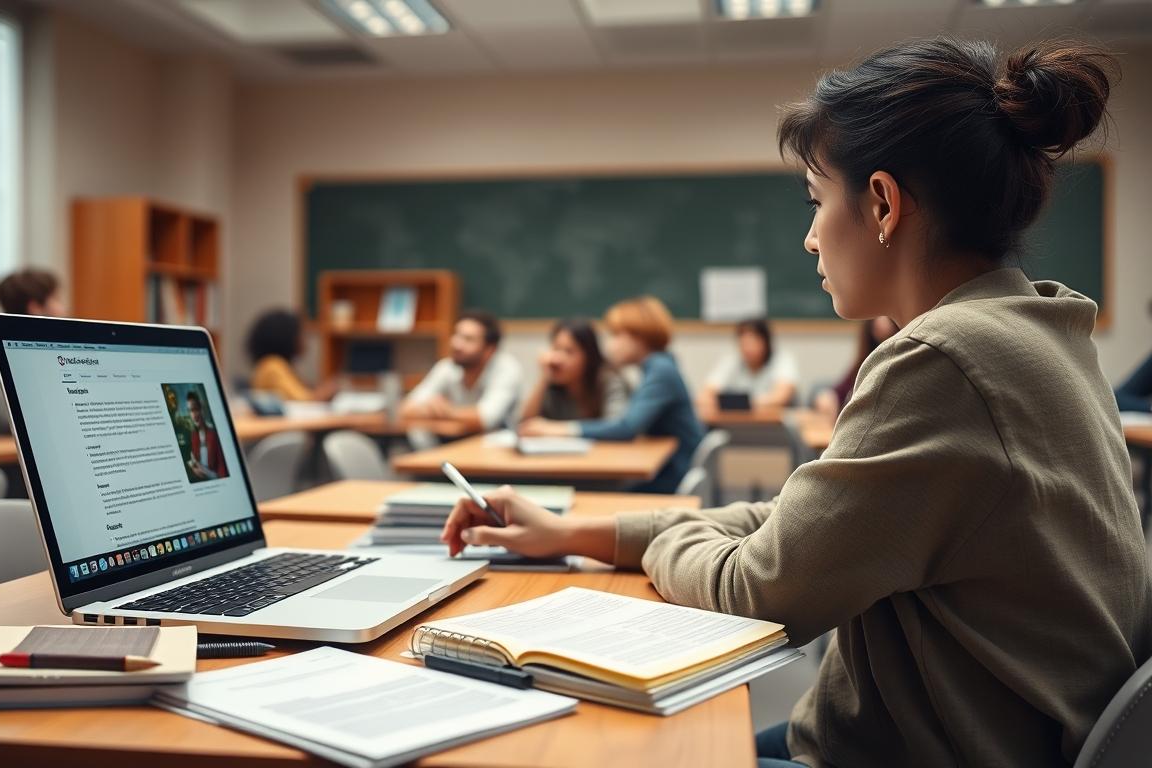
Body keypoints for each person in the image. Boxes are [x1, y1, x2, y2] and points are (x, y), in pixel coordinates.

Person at [442, 39, 1149, 768]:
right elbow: (801, 523)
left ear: (881, 203)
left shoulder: (944, 362)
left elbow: (758, 589)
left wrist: (657, 544)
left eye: (816, 202)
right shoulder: (1036, 330)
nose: (810, 239)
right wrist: (577, 533)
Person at [520, 297, 703, 494]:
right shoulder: (659, 366)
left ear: (638, 337)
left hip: (671, 475)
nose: (610, 344)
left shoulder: (660, 371)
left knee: (591, 494)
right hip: (671, 469)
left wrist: (560, 429)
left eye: (616, 335)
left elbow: (626, 428)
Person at [400, 310, 524, 432]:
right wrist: (431, 408)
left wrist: (448, 411)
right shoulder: (446, 367)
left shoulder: (506, 369)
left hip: (496, 445)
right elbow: (405, 408)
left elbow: (486, 418)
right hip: (452, 442)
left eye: (468, 339)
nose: (457, 344)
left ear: (489, 350)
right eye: (456, 335)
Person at [0, 268, 66, 433]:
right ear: (35, 308)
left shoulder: (54, 356)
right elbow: (0, 419)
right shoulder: (1, 359)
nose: (64, 308)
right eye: (56, 299)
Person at [518, 318, 630, 423]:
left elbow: (615, 426)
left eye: (569, 351)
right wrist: (543, 378)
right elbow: (525, 424)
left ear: (589, 356)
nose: (558, 359)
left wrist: (559, 430)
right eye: (556, 349)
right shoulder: (552, 383)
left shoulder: (609, 380)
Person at [698, 318, 799, 416]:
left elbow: (781, 397)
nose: (747, 348)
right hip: (738, 424)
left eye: (752, 342)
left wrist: (739, 404)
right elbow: (704, 396)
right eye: (743, 343)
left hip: (774, 427)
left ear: (766, 342)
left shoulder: (782, 360)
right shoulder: (732, 361)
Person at [812, 316, 898, 417]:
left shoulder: (898, 360)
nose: (880, 321)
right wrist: (829, 396)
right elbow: (841, 390)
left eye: (885, 315)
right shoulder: (866, 357)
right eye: (877, 316)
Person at [246, 309, 337, 402]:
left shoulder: (275, 364)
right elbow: (303, 400)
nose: (306, 340)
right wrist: (329, 390)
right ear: (286, 337)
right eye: (302, 334)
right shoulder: (272, 365)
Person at [185, 390, 227, 481]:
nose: (193, 415)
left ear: (201, 409)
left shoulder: (214, 433)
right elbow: (195, 461)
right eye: (190, 411)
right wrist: (194, 468)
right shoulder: (194, 435)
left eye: (195, 409)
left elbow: (222, 472)